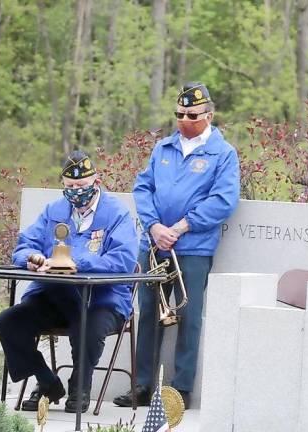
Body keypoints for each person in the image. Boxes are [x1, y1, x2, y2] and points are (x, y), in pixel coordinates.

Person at [113, 82, 240, 408]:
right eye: (180, 113)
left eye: (192, 114)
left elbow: (224, 200)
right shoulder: (163, 148)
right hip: (155, 244)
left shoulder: (222, 153)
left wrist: (182, 227)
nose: (184, 119)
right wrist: (155, 227)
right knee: (149, 315)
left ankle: (179, 390)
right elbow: (143, 188)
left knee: (188, 317)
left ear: (209, 115)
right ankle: (141, 386)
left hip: (193, 248)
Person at [0, 150, 138, 413]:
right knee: (7, 322)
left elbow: (124, 259)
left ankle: (79, 386)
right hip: (54, 296)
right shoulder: (54, 210)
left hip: (101, 300)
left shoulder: (117, 213)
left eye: (82, 186)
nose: (76, 191)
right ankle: (47, 381)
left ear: (96, 181)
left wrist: (77, 264)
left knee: (88, 328)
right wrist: (31, 258)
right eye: (70, 186)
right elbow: (25, 245)